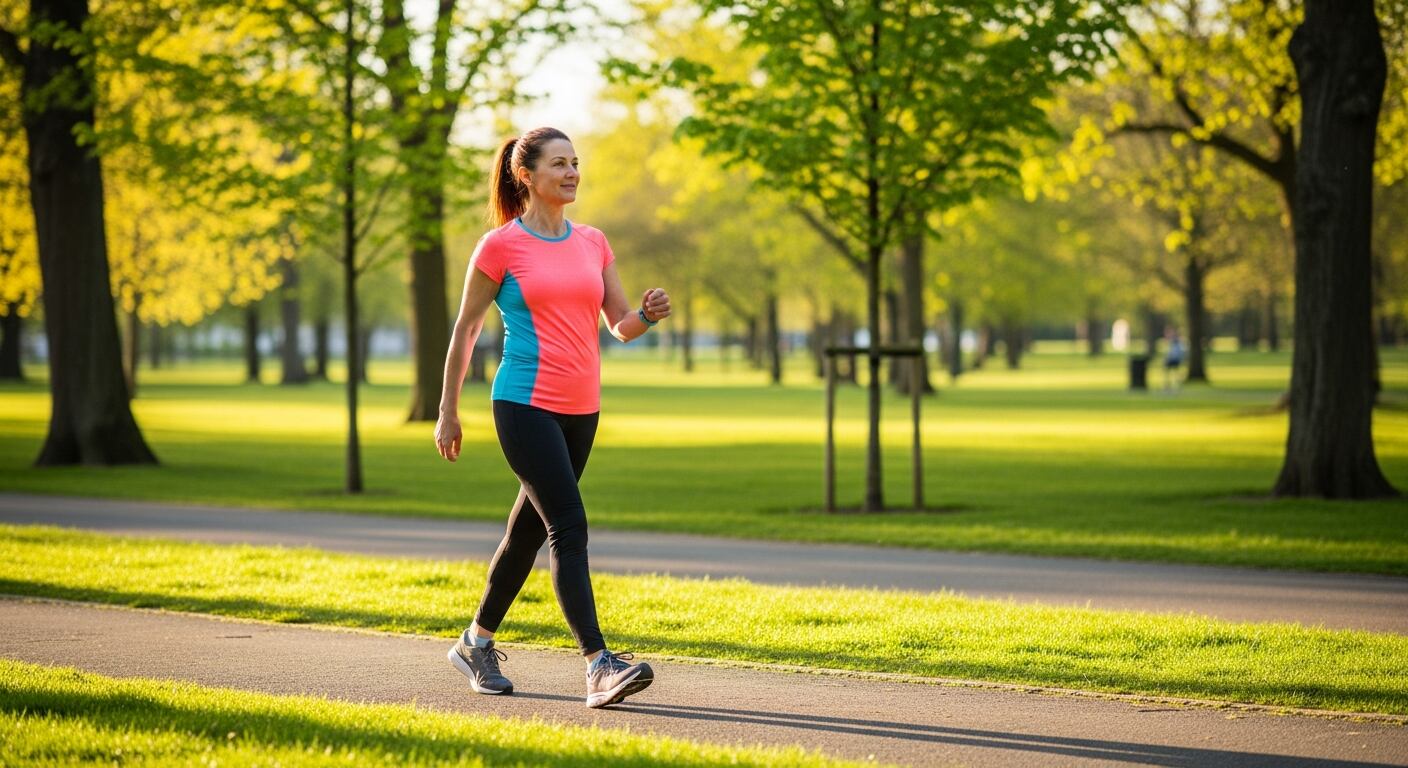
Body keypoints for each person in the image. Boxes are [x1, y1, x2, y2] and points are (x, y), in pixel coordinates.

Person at [433, 126, 671, 708]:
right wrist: (447, 410)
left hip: (581, 408)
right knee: (568, 523)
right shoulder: (500, 246)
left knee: (527, 533)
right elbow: (466, 330)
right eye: (558, 164)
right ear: (527, 175)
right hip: (522, 402)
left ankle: (475, 642)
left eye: (575, 162)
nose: (571, 173)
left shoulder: (593, 241)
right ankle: (598, 664)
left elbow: (619, 325)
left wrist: (645, 313)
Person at [1163, 327, 1185, 392]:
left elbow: (1174, 353)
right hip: (1174, 359)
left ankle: (1171, 386)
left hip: (1174, 359)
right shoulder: (1174, 342)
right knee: (1171, 373)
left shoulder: (1176, 342)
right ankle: (1169, 386)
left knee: (1174, 373)